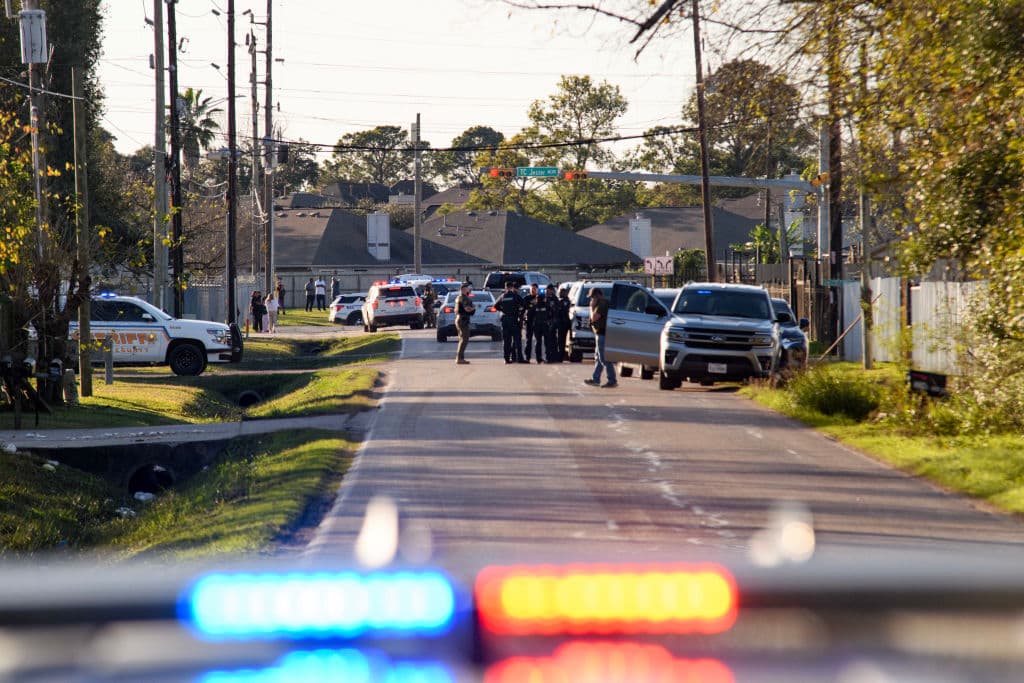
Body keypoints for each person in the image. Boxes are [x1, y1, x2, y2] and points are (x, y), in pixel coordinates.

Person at [584, 287, 617, 388]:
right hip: (599, 333)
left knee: (603, 358)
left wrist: (591, 307)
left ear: (597, 296)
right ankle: (596, 379)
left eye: (592, 298)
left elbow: (594, 317)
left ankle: (612, 380)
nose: (591, 300)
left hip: (602, 333)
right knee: (598, 358)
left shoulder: (602, 303)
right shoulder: (599, 303)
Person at [494, 280, 525, 364]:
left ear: (505, 287)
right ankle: (519, 358)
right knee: (517, 340)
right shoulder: (515, 296)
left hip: (505, 320)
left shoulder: (502, 296)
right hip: (514, 320)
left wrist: (503, 310)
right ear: (511, 287)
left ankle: (506, 359)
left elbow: (495, 306)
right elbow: (524, 304)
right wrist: (519, 311)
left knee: (507, 341)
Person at [454, 281, 476, 365]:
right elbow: (467, 309)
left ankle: (460, 358)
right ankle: (459, 358)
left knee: (462, 339)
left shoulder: (458, 297)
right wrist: (473, 307)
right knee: (464, 339)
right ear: (464, 289)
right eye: (467, 288)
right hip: (463, 320)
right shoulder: (464, 298)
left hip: (459, 319)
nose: (468, 290)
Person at [530, 286, 551, 364]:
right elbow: (551, 314)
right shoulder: (546, 306)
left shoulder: (534, 307)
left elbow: (530, 316)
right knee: (546, 342)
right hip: (544, 325)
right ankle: (547, 358)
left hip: (537, 325)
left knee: (538, 342)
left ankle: (538, 358)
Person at [522, 284, 539, 362]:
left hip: (538, 322)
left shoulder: (540, 298)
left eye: (535, 289)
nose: (533, 290)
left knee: (538, 340)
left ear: (537, 289)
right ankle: (527, 357)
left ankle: (538, 357)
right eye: (532, 289)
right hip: (529, 321)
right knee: (529, 340)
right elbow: (523, 308)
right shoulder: (526, 298)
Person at [555, 286, 572, 362]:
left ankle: (561, 356)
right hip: (563, 323)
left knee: (562, 341)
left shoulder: (565, 301)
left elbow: (563, 312)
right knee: (561, 341)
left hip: (563, 323)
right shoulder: (563, 301)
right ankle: (561, 355)